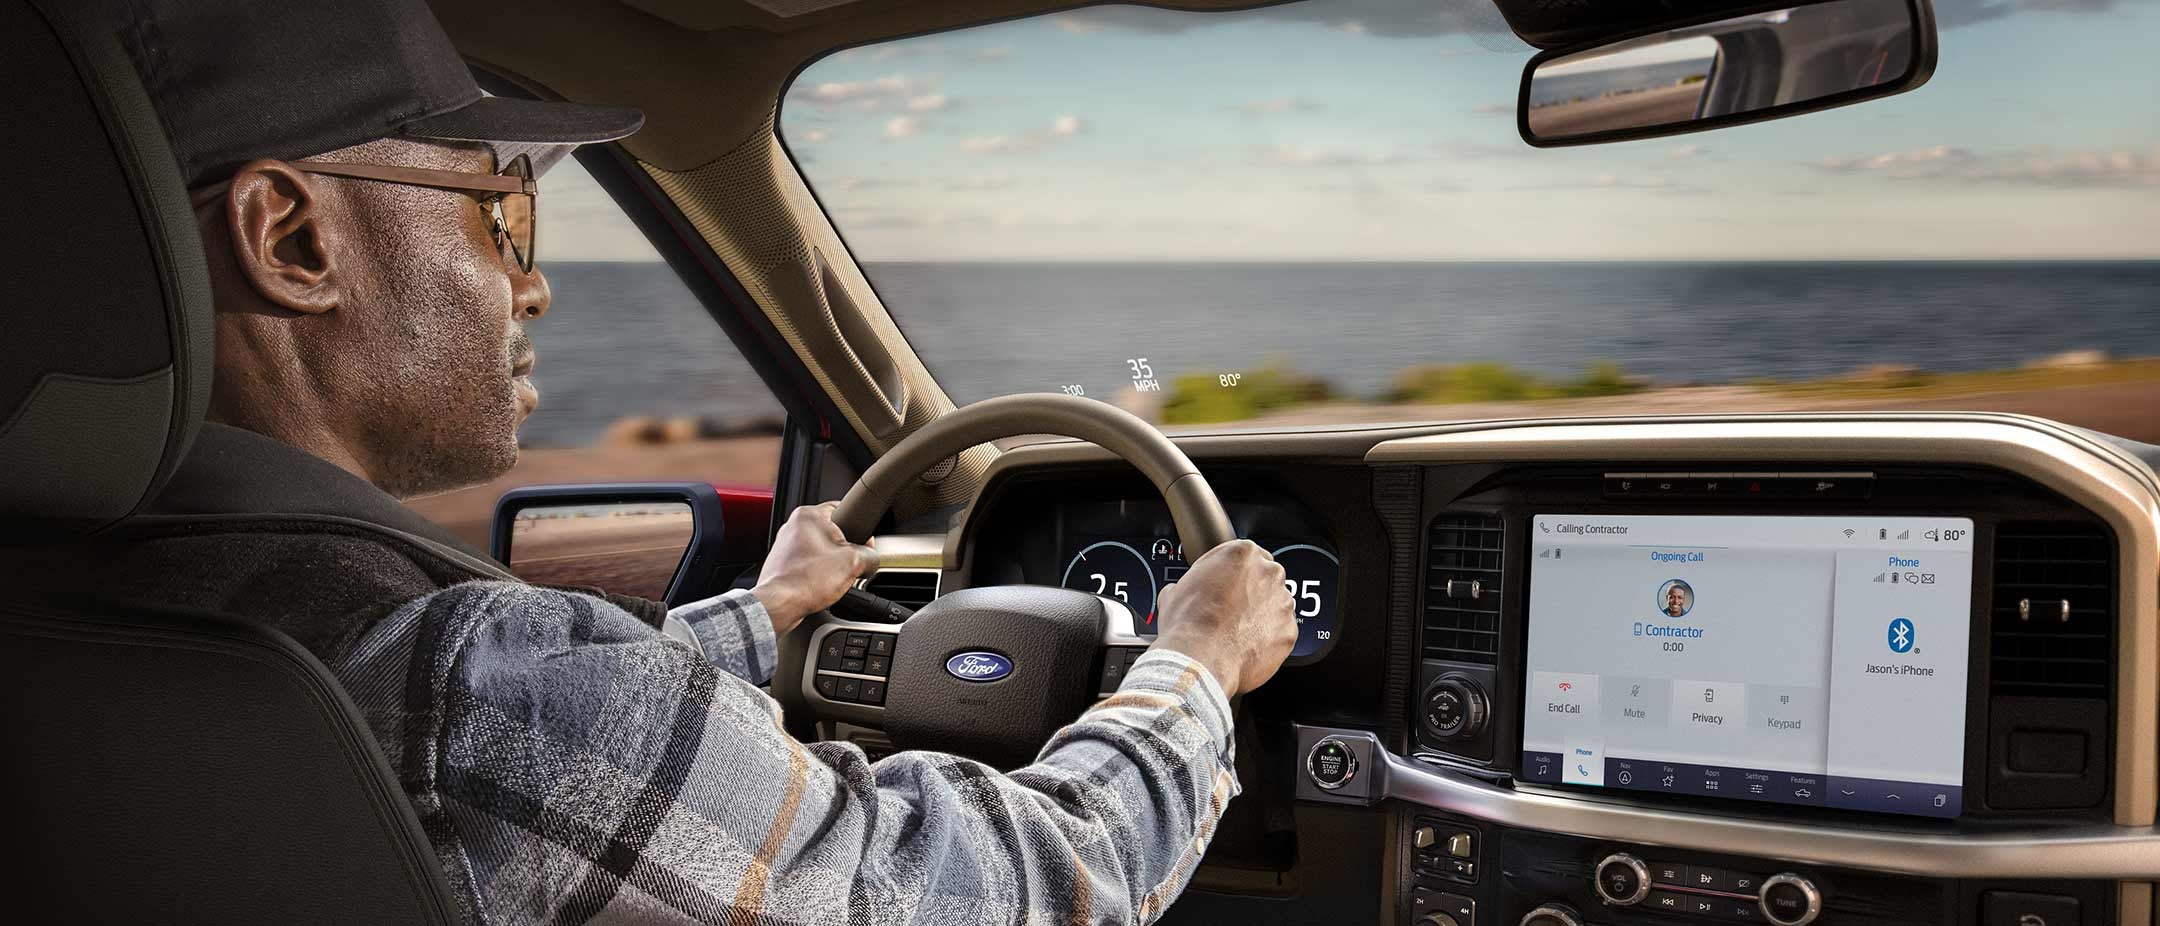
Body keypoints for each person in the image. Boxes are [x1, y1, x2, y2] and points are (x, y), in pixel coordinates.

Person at [67, 0, 1301, 923]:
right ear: (290, 239)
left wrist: (768, 609)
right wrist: (1195, 662)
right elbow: (1024, 884)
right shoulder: (476, 688)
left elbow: (570, 730)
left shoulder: (80, 593)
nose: (532, 285)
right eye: (502, 212)